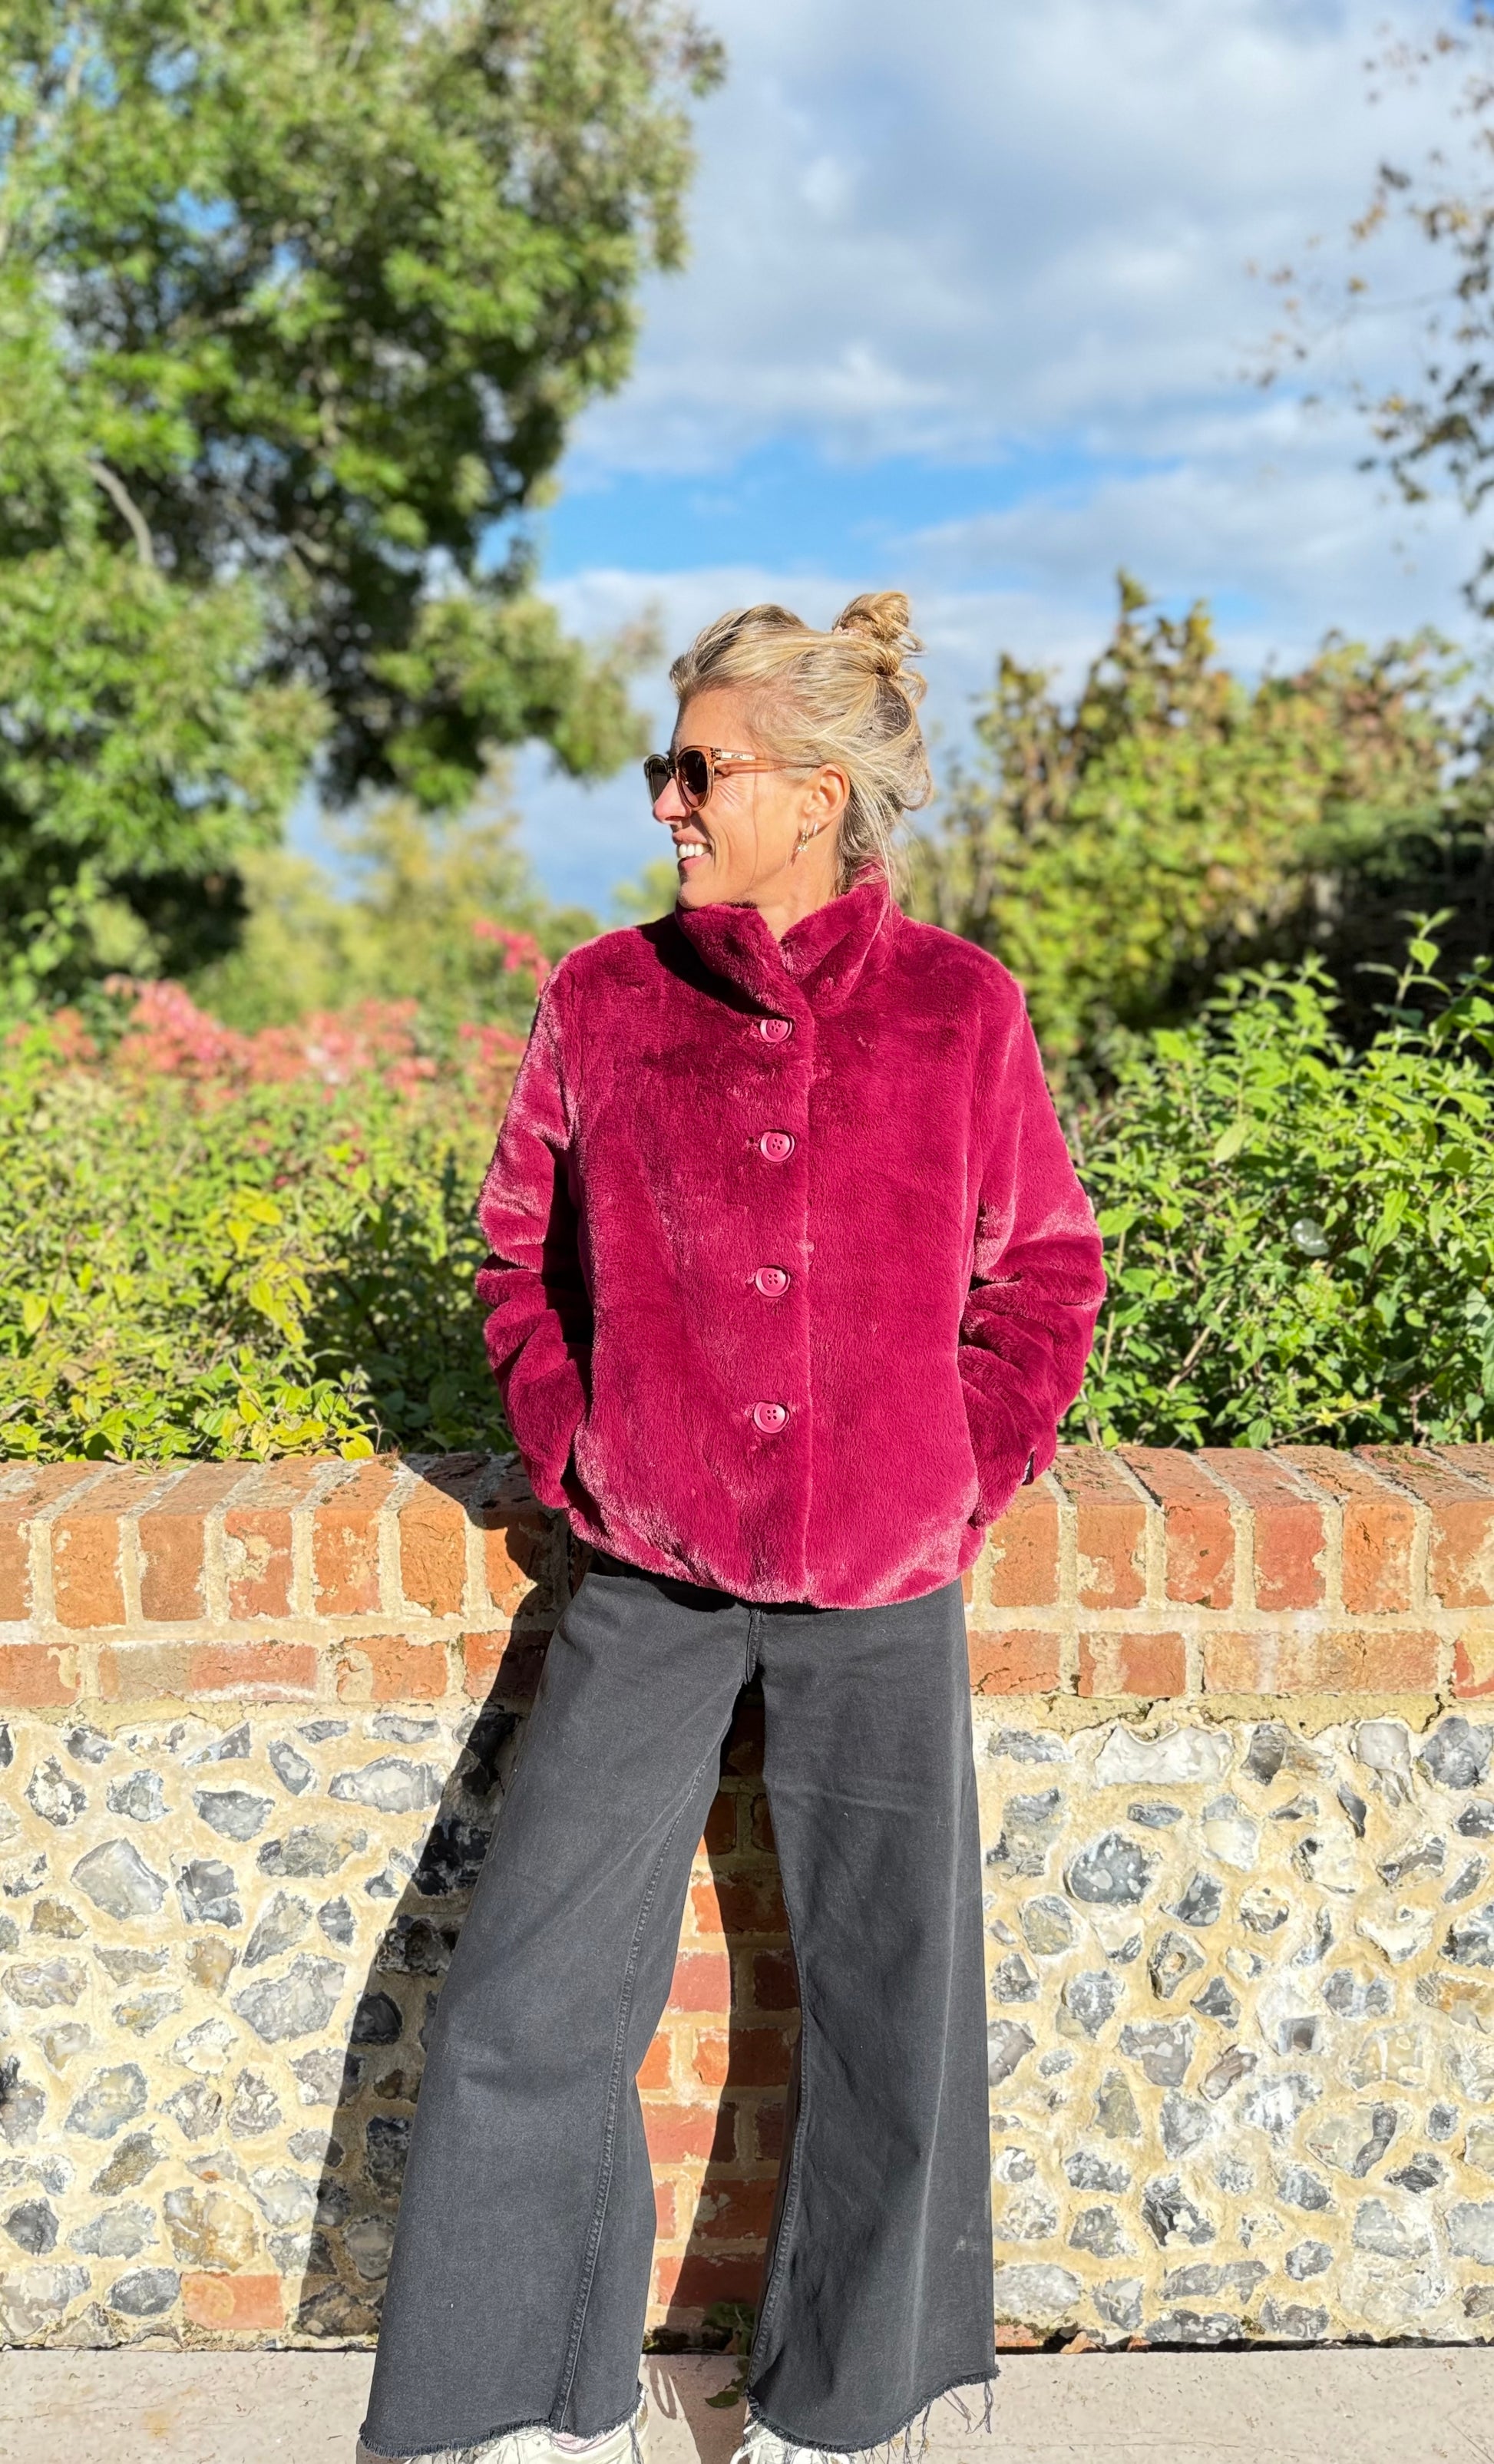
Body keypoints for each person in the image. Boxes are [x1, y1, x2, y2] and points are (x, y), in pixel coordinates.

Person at [358, 594, 1105, 2464]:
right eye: (665, 767)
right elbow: (516, 1255)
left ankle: (852, 2410)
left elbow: (1044, 1273)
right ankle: (517, 2403)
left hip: (881, 1578)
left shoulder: (959, 1007)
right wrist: (580, 1449)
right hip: (653, 1571)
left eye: (699, 770)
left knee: (894, 2002)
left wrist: (960, 1471)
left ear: (814, 794)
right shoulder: (603, 1001)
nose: (667, 803)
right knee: (530, 1991)